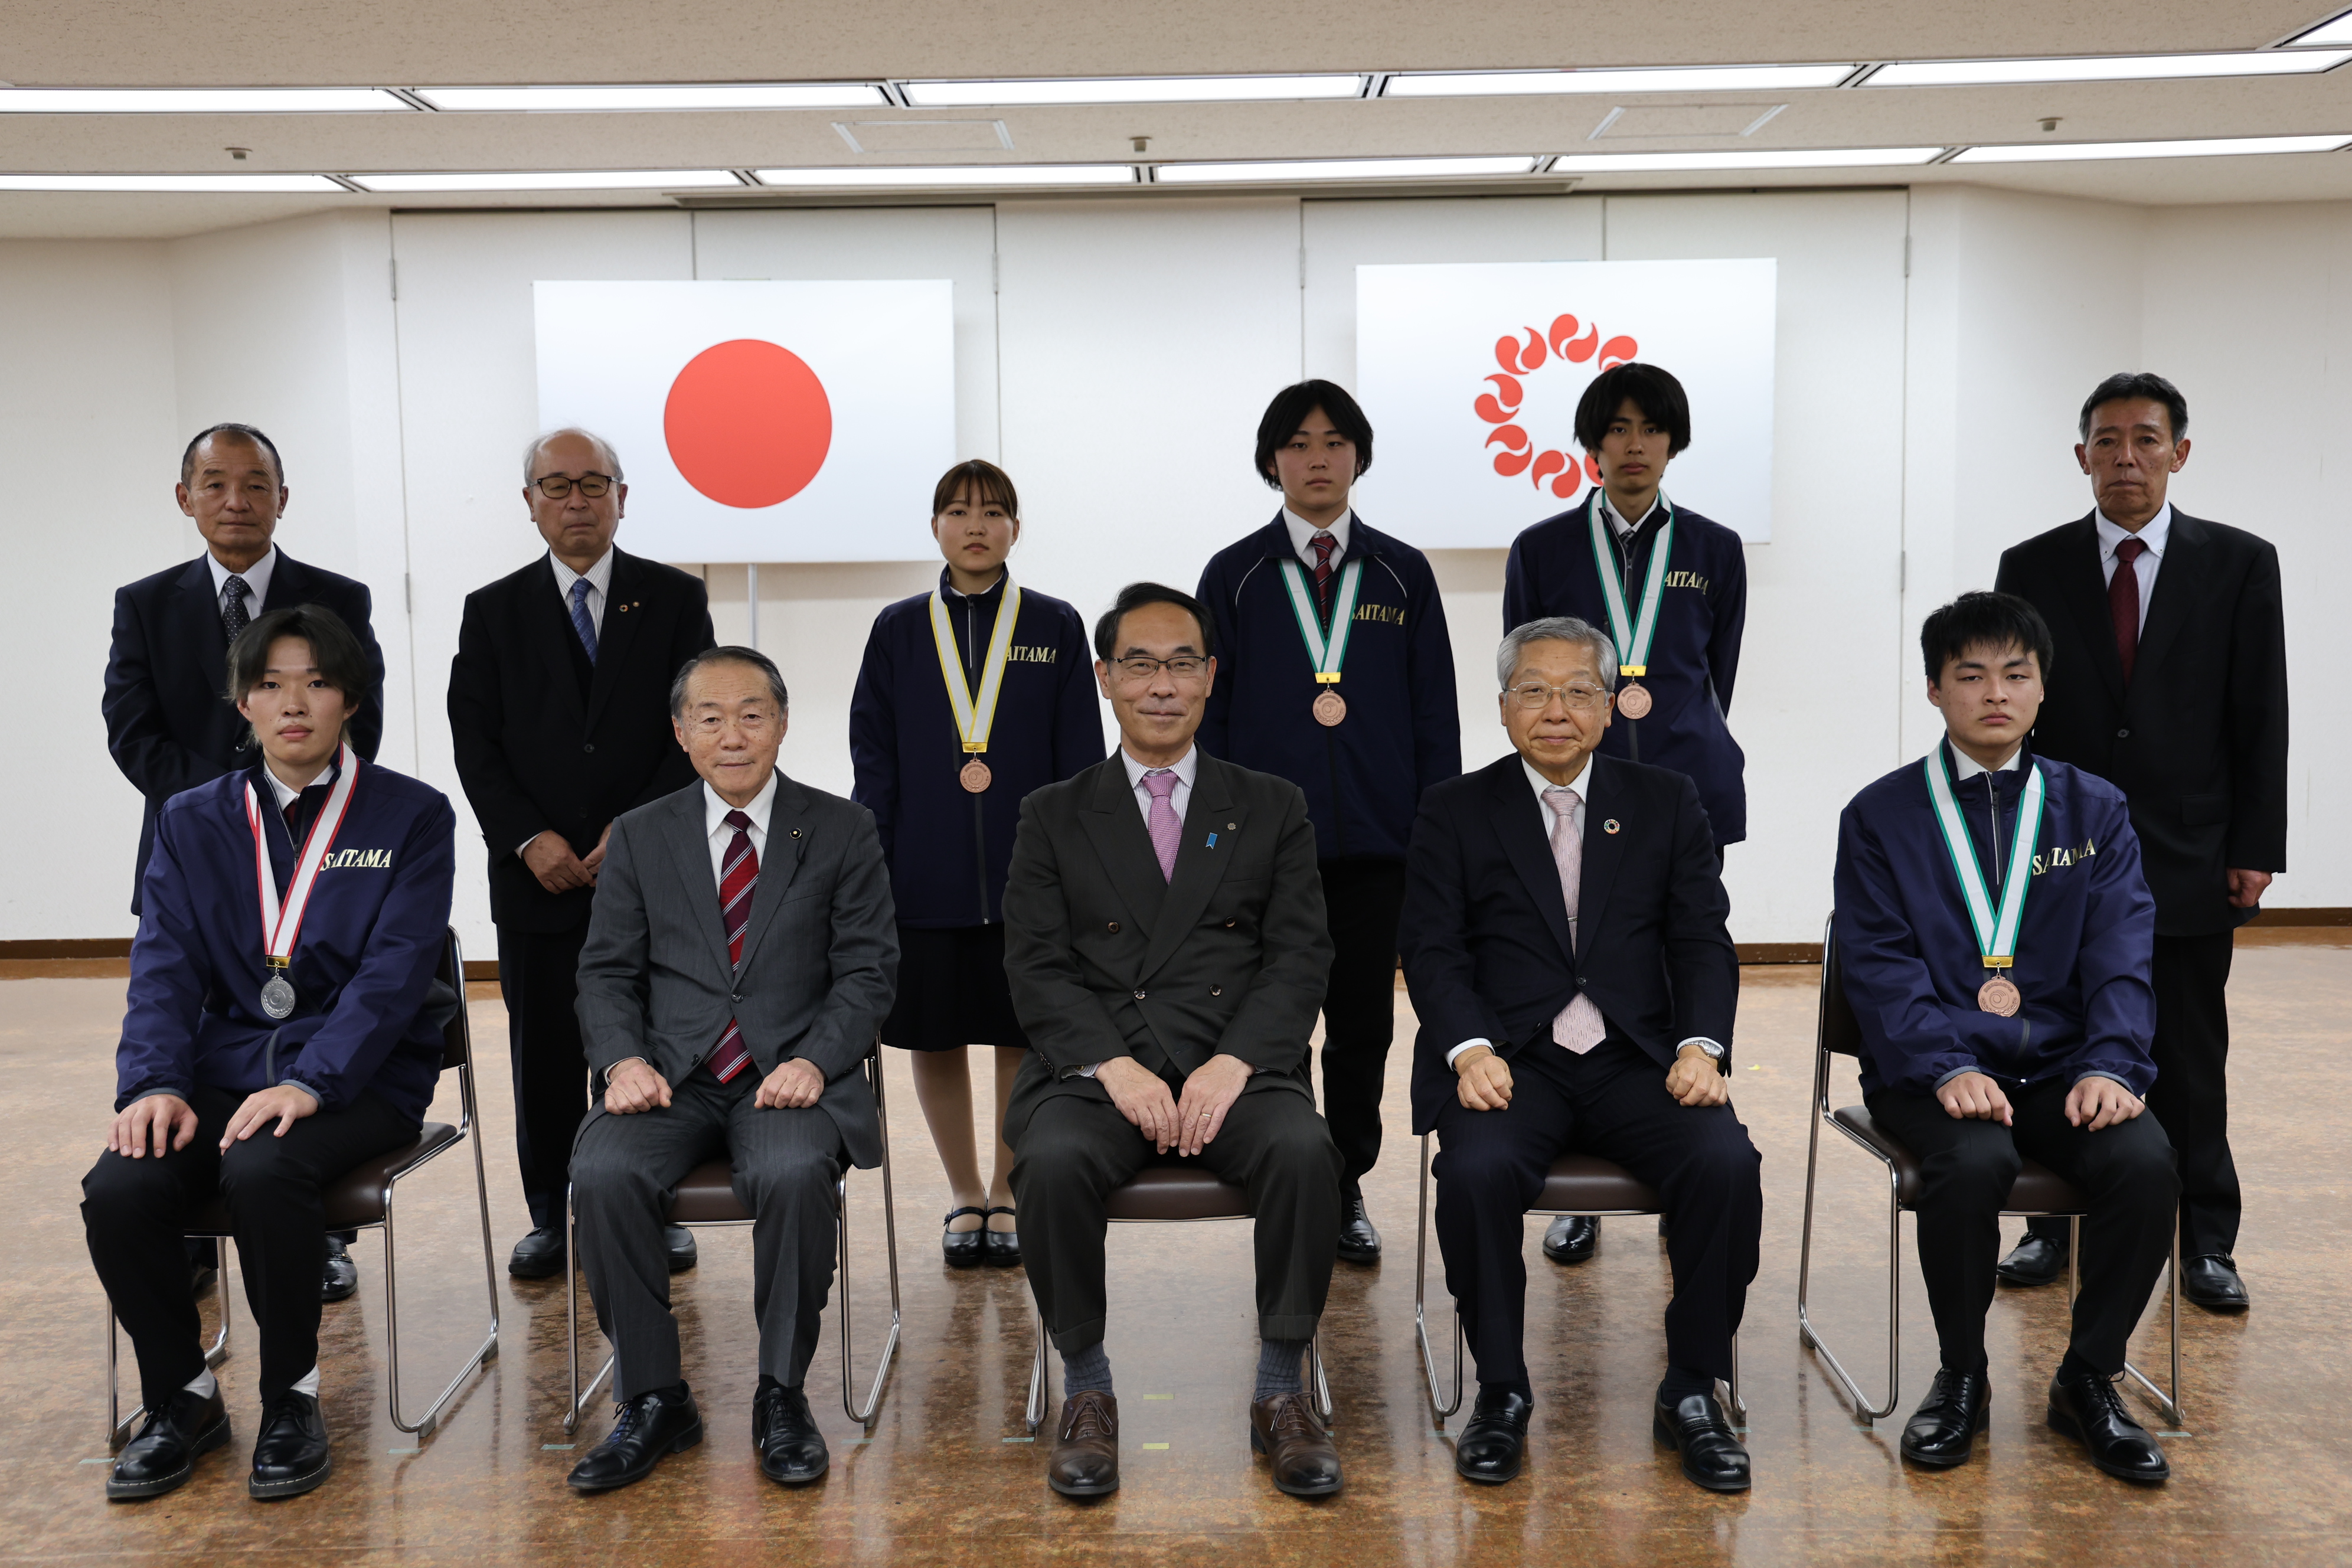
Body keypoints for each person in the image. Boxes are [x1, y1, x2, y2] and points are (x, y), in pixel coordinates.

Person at [83, 605, 456, 1503]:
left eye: (318, 683)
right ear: (241, 702)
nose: (295, 703)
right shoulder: (191, 819)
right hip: (224, 1068)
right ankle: (183, 1396)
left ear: (350, 701)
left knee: (264, 1169)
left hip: (362, 1077)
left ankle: (291, 1397)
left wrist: (311, 1081)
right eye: (271, 684)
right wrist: (156, 1084)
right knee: (122, 1185)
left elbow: (393, 977)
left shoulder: (412, 815)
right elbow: (164, 966)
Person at [1002, 583, 1345, 1501]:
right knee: (1053, 1156)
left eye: (1182, 663)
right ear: (1107, 678)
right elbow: (1036, 966)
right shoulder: (1052, 812)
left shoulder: (1271, 804)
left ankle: (1281, 1388)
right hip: (1096, 1067)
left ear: (1210, 677)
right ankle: (1087, 1387)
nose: (1163, 684)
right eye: (1141, 665)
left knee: (1307, 1150)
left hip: (1235, 1061)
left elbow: (1301, 953)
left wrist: (1236, 1061)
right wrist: (1113, 1066)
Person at [1400, 615, 1758, 1492]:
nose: (1555, 708)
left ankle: (1691, 1389)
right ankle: (1502, 1391)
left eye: (1576, 691)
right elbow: (1433, 949)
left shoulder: (1666, 799)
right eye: (1534, 689)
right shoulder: (1454, 808)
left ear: (1607, 708)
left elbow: (1702, 939)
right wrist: (1468, 1049)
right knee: (1477, 1175)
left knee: (1725, 1163)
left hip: (1639, 1060)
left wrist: (1702, 1046)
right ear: (1502, 706)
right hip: (1511, 1063)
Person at [1834, 591, 2179, 1484]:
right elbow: (1878, 963)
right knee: (1973, 1164)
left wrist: (2112, 1064)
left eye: (2015, 675)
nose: (1995, 693)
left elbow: (2121, 953)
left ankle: (2088, 1376)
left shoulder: (2093, 809)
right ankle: (1962, 1374)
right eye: (1971, 675)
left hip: (2066, 1067)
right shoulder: (1881, 814)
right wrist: (1942, 1063)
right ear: (1935, 691)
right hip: (1930, 1069)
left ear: (2041, 690)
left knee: (2145, 1163)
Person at [563, 646, 897, 1494]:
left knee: (790, 1173)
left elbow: (869, 971)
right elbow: (606, 971)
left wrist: (819, 1060)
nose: (733, 734)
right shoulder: (642, 835)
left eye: (753, 714)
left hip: (789, 1076)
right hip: (673, 1075)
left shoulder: (840, 828)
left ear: (782, 724)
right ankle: (654, 1397)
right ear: (681, 733)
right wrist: (622, 1059)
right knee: (601, 1171)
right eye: (710, 717)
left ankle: (780, 1392)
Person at [1994, 373, 2286, 1314]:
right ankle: (2052, 1227)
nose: (2127, 458)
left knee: (2191, 1054)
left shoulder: (2241, 564)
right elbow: (2012, 714)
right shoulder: (2031, 566)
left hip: (2192, 851)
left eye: (2146, 441)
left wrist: (2256, 844)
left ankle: (2206, 1240)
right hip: (2058, 855)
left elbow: (2261, 713)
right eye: (2107, 442)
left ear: (2180, 453)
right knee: (2055, 1039)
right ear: (2081, 456)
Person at [104, 422, 387, 1305]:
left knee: (317, 1021)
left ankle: (316, 1229)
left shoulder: (337, 595)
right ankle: (185, 1213)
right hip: (194, 859)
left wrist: (284, 797)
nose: (237, 500)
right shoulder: (145, 602)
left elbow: (361, 722)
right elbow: (131, 731)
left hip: (323, 859)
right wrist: (234, 806)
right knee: (191, 1022)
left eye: (255, 484)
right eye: (216, 484)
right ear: (185, 497)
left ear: (282, 497)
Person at [1196, 380, 1459, 1264]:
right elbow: (1213, 717)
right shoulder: (1232, 577)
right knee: (1276, 1021)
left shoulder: (1400, 573)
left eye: (1336, 442)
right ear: (1272, 459)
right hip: (1267, 851)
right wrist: (1219, 839)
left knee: (1361, 1029)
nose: (1318, 458)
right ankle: (1290, 1173)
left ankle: (1344, 1182)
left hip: (1381, 850)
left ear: (1359, 457)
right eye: (1300, 443)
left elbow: (1435, 718)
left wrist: (1436, 836)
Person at [447, 428, 715, 1280]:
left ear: (622, 496)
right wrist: (529, 838)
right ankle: (552, 1215)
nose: (576, 501)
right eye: (556, 487)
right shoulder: (492, 610)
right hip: (537, 878)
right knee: (547, 1053)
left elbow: (695, 729)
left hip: (652, 871)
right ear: (529, 503)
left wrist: (631, 834)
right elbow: (475, 742)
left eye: (593, 484)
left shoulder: (675, 600)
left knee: (648, 1044)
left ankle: (651, 1203)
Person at [1498, 363, 1747, 1270]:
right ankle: (1584, 1194)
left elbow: (1716, 672)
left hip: (1685, 788)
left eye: (1651, 428)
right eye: (1617, 427)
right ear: (1591, 442)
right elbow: (1527, 671)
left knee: (1688, 958)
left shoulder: (1715, 548)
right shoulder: (1544, 548)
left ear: (1672, 441)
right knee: (1577, 965)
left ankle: (1688, 1146)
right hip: (1570, 789)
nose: (1633, 444)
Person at [850, 459, 1102, 1268]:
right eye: (958, 512)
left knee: (1022, 1033)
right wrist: (878, 868)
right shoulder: (896, 629)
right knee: (936, 1036)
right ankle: (966, 1192)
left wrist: (1073, 868)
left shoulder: (1056, 626)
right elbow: (874, 760)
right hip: (923, 871)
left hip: (1029, 878)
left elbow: (1079, 762)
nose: (976, 525)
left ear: (1015, 530)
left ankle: (1014, 1187)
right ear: (936, 528)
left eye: (994, 512)